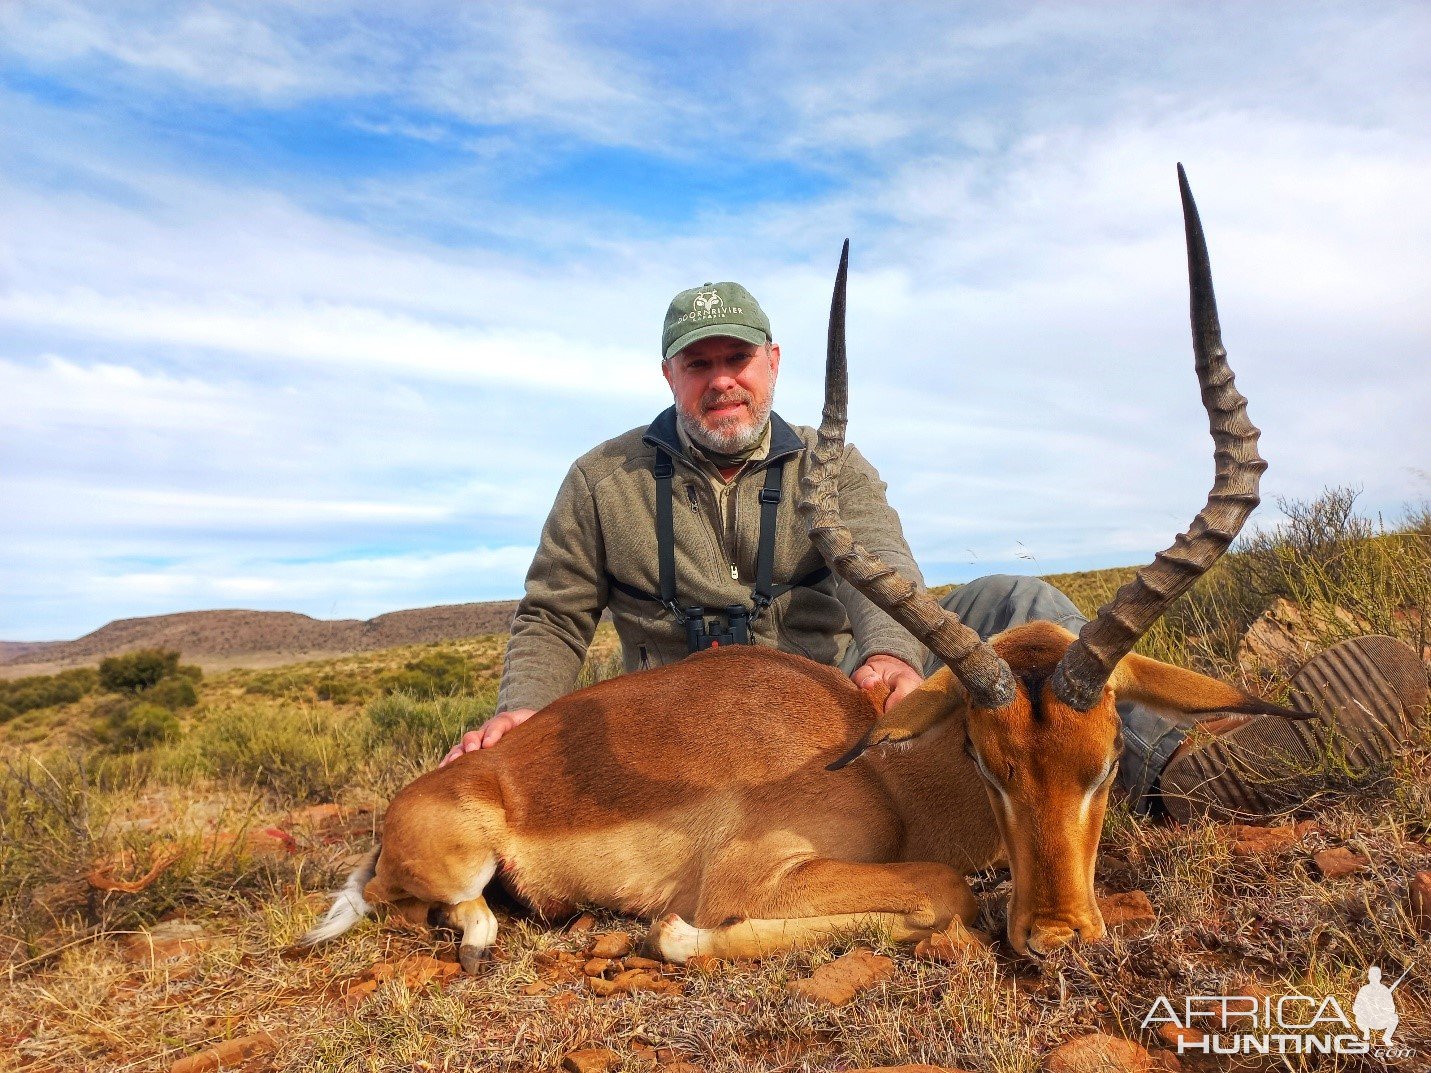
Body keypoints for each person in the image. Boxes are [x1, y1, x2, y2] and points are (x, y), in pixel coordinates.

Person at [443, 280, 1427, 824]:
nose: (720, 381)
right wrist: (519, 710)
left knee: (1018, 599)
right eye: (698, 364)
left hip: (832, 700)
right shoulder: (602, 478)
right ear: (669, 373)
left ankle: (1174, 772)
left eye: (736, 359)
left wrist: (890, 654)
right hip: (688, 724)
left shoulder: (832, 464)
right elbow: (553, 610)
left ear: (772, 363)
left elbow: (880, 561)